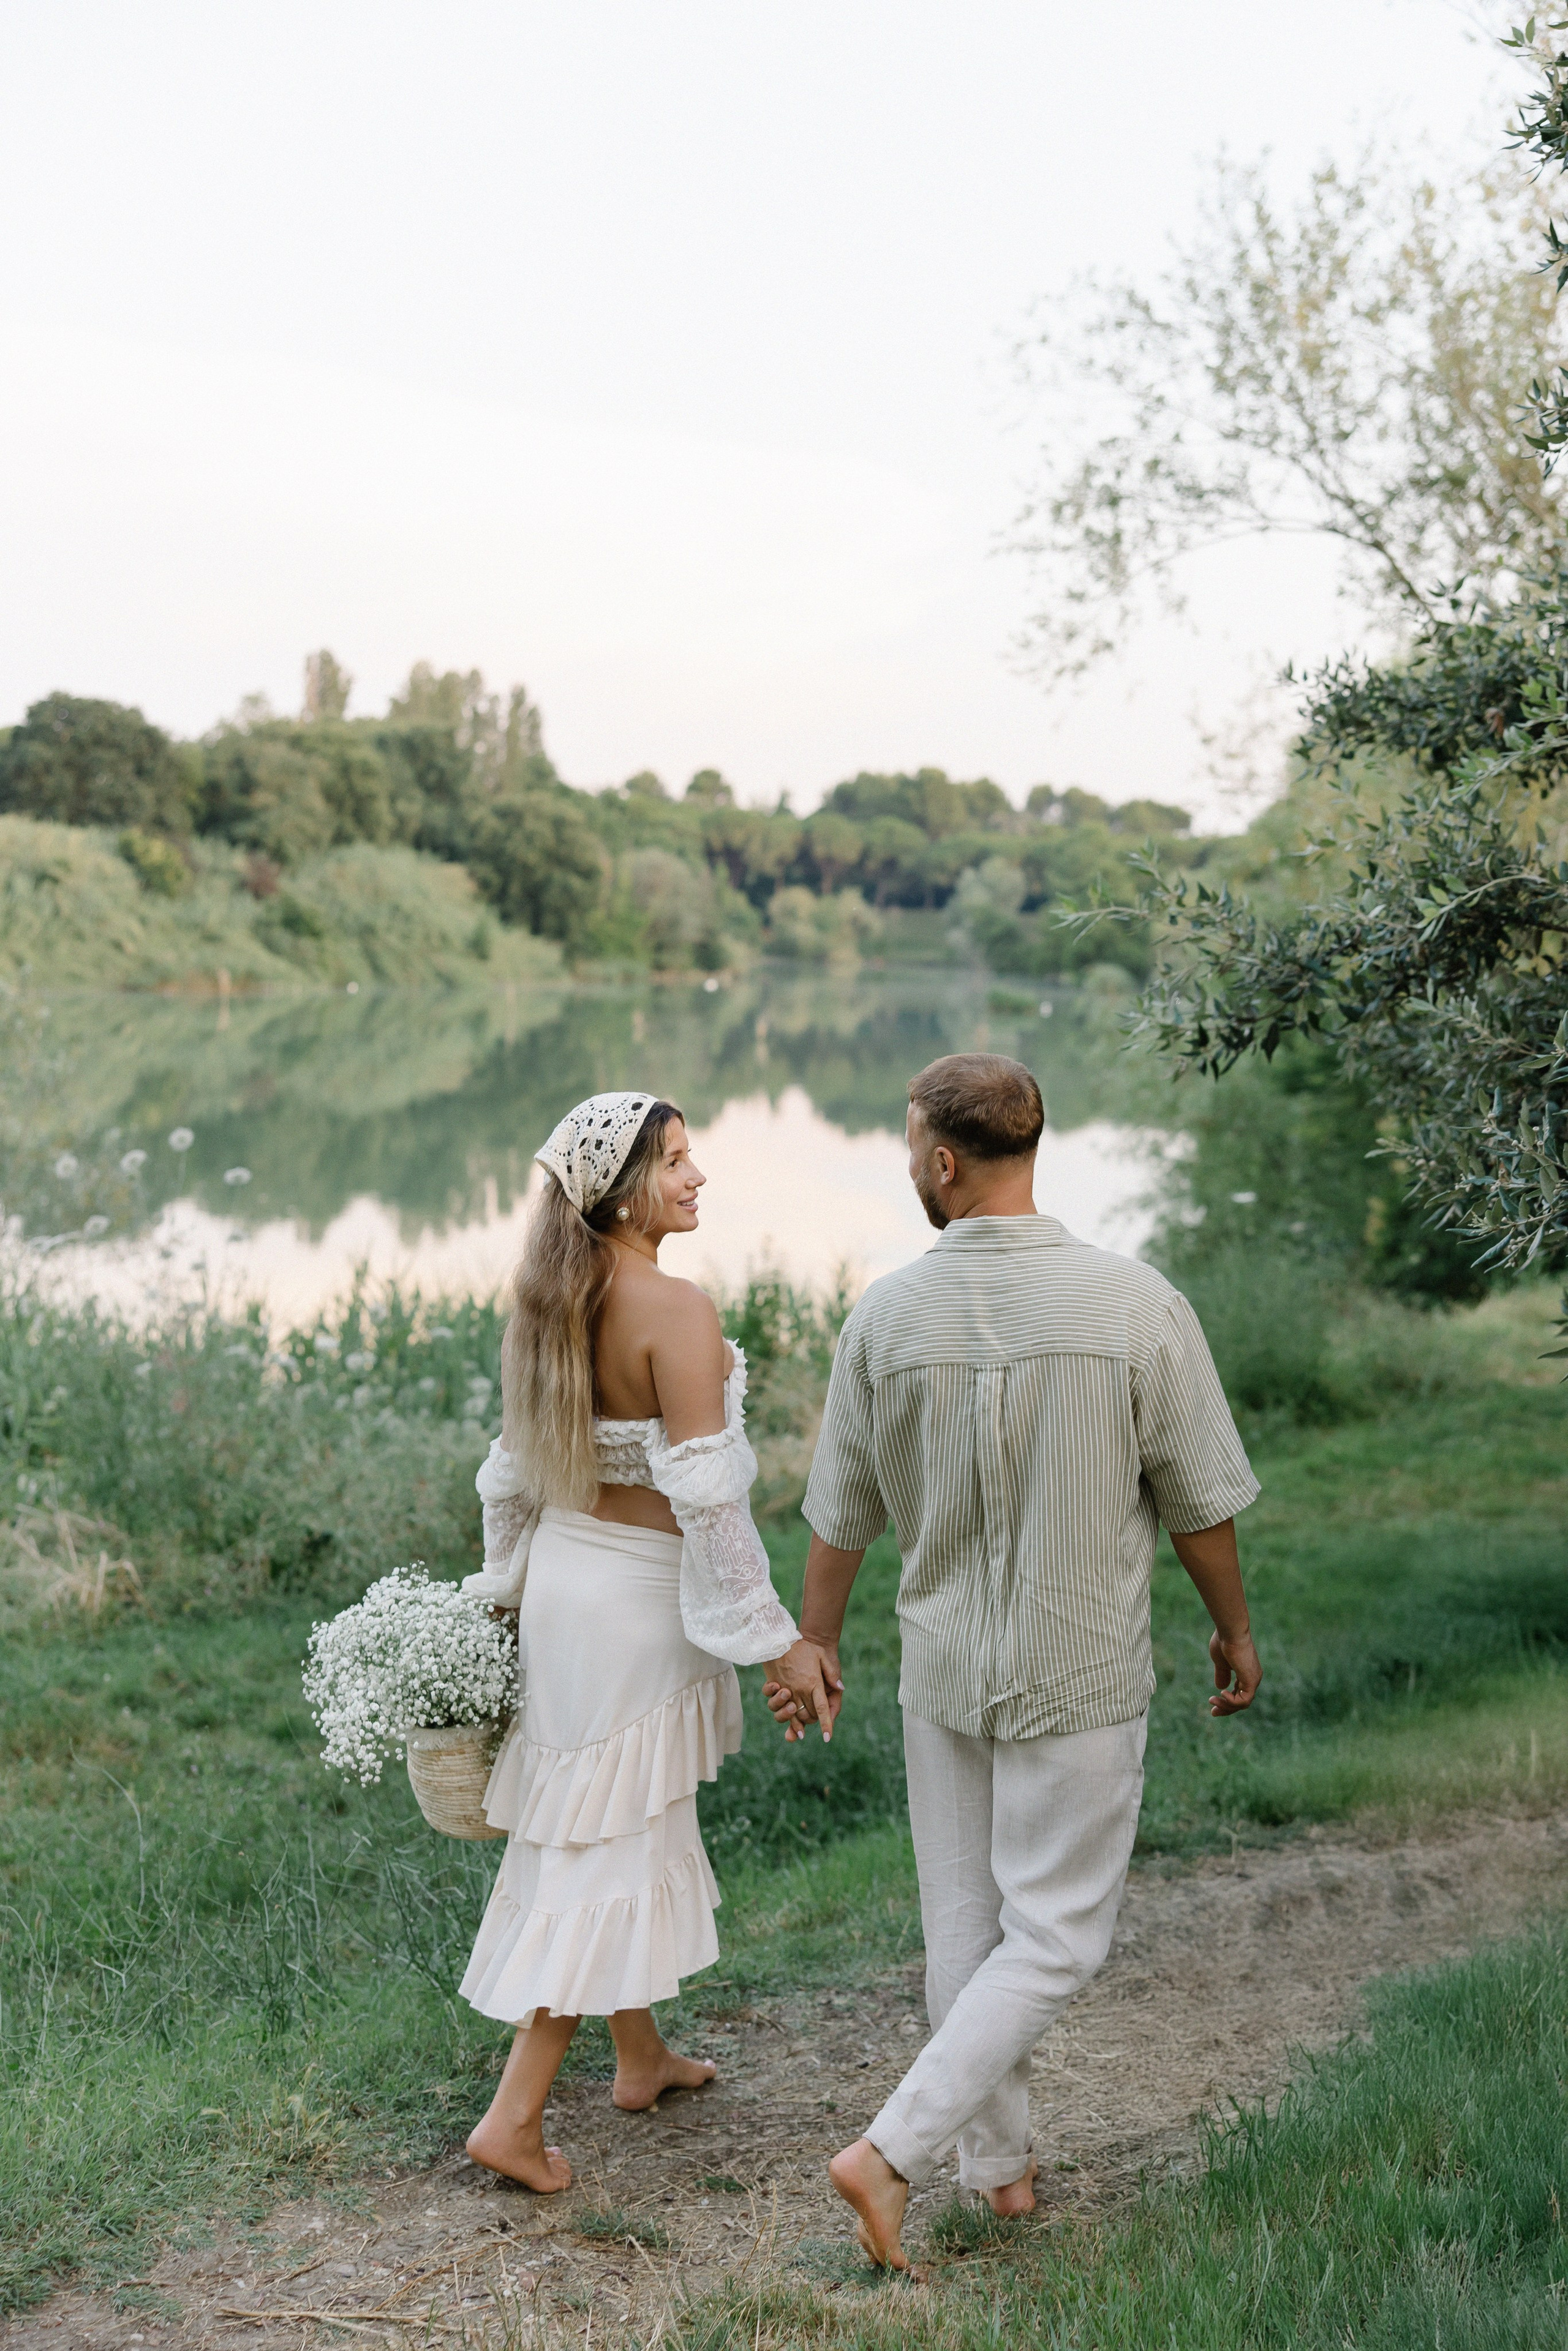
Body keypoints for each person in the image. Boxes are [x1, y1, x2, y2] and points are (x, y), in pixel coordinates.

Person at [764, 1052, 1262, 2270]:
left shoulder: (882, 1316)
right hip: (1076, 1669)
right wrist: (1232, 1626)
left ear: (941, 1159)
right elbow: (1198, 1504)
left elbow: (841, 1513)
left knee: (965, 1934)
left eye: (906, 1145)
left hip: (941, 1667)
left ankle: (1001, 2175)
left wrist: (814, 1636)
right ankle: (891, 2151)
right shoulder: (1135, 1303)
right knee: (1054, 1939)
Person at [458, 1090, 819, 2193]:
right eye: (675, 1162)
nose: (698, 1175)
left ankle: (640, 2054)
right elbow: (710, 1507)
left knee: (618, 1813)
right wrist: (780, 1642)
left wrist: (503, 1592)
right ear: (622, 1196)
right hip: (635, 1601)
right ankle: (512, 2119)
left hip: (570, 1583)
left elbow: (511, 1477)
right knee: (607, 1843)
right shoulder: (676, 1308)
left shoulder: (549, 1300)